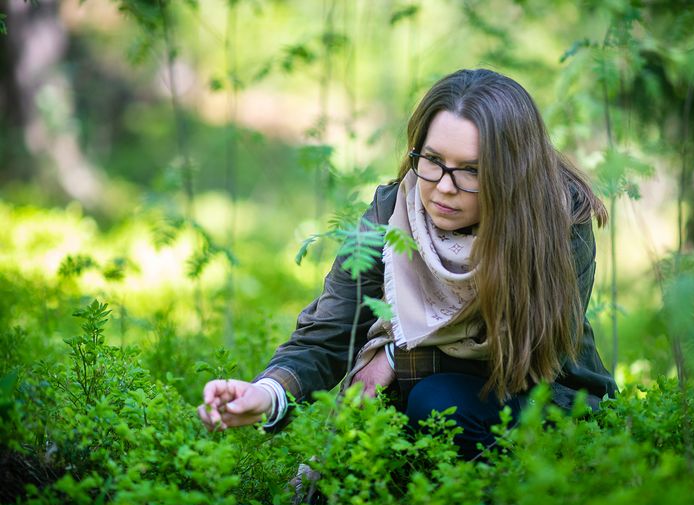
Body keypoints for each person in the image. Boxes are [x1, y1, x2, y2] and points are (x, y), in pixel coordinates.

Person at [198, 68, 617, 460]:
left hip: (547, 402)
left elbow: (522, 355)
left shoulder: (557, 220)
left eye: (471, 170)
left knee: (435, 400)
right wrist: (268, 393)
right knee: (386, 420)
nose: (443, 188)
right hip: (433, 396)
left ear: (511, 171)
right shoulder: (393, 212)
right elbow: (331, 332)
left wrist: (397, 357)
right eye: (433, 160)